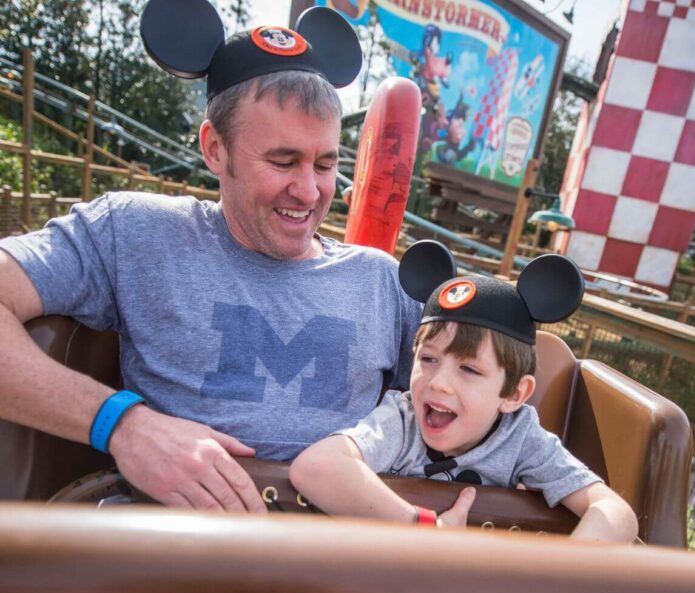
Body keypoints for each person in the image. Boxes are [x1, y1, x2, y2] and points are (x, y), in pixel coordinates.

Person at [0, 4, 421, 512]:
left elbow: (482, 403)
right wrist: (122, 425)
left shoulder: (382, 283)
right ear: (215, 149)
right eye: (282, 161)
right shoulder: (136, 233)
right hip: (177, 555)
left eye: (326, 164)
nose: (309, 192)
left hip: (337, 564)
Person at [291, 241, 639, 543]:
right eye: (428, 359)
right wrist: (425, 530)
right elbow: (317, 467)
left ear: (514, 395)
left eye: (469, 369)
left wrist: (550, 580)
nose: (439, 382)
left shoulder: (520, 437)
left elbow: (615, 513)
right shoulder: (403, 419)